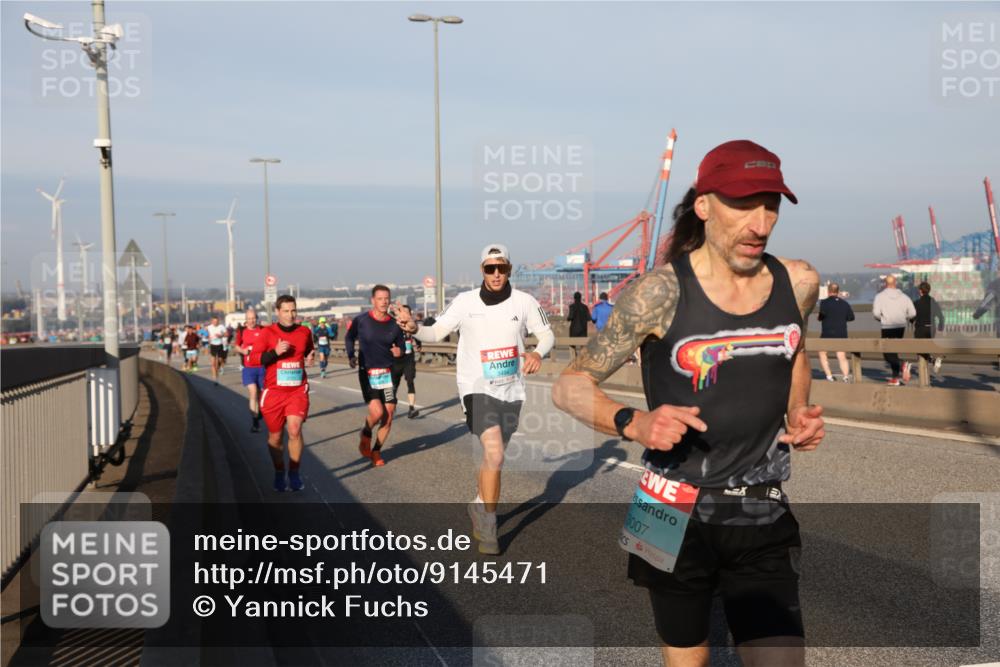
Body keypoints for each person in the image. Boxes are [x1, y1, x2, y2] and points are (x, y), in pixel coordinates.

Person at [552, 140, 823, 667]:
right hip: (668, 503)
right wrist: (633, 422)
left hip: (759, 501)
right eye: (744, 204)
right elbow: (570, 385)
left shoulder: (799, 281)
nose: (761, 223)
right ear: (704, 205)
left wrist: (798, 413)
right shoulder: (659, 292)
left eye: (771, 205)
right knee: (686, 655)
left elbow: (795, 353)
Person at [396, 244, 555, 555]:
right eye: (490, 268)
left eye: (502, 268)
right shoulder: (465, 302)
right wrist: (415, 328)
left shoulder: (525, 302)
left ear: (510, 269)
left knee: (494, 457)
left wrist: (537, 352)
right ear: (482, 270)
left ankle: (481, 505)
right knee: (494, 454)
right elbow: (436, 333)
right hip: (476, 387)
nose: (496, 274)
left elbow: (547, 334)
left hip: (511, 390)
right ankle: (489, 525)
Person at [249, 295, 314, 492]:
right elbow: (253, 359)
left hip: (297, 390)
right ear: (278, 312)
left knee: (294, 430)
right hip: (274, 392)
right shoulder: (268, 333)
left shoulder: (304, 331)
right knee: (275, 437)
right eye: (286, 311)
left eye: (293, 310)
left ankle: (294, 472)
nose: (291, 314)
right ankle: (279, 471)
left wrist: (310, 355)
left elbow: (308, 349)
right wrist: (275, 353)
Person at [345, 285, 407, 467]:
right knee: (377, 412)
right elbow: (349, 337)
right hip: (368, 372)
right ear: (373, 301)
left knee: (388, 415)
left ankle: (376, 451)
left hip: (388, 374)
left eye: (387, 298)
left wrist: (399, 351)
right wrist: (350, 355)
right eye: (380, 299)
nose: (384, 302)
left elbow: (402, 345)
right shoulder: (362, 320)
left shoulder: (394, 324)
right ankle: (366, 431)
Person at [872, 274, 916, 385]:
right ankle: (895, 378)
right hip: (900, 327)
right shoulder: (904, 297)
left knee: (887, 353)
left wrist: (882, 319)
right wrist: (904, 318)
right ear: (895, 283)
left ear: (885, 283)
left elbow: (876, 314)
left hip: (887, 327)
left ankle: (902, 365)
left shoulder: (879, 296)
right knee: (894, 352)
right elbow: (913, 313)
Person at [233, 308, 266, 432]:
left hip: (262, 367)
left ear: (256, 319)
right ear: (246, 320)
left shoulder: (262, 330)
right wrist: (243, 351)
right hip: (248, 368)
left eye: (253, 318)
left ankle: (260, 412)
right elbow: (236, 346)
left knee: (261, 395)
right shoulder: (242, 332)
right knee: (253, 392)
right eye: (249, 319)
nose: (251, 321)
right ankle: (255, 422)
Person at [818, 282, 855, 382]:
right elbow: (851, 317)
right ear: (838, 291)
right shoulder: (844, 303)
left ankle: (829, 376)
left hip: (827, 333)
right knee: (841, 355)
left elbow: (821, 316)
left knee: (822, 353)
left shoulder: (824, 302)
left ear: (828, 291)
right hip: (841, 332)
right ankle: (846, 376)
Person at [391, 305, 421, 419]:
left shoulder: (411, 324)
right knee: (394, 384)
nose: (406, 314)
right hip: (396, 359)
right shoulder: (393, 325)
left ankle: (411, 408)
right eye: (403, 312)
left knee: (410, 381)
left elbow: (416, 333)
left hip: (409, 358)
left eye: (408, 312)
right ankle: (391, 403)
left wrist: (418, 344)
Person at [912, 281, 945, 375]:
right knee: (926, 349)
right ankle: (932, 362)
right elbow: (941, 316)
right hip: (931, 328)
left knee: (920, 350)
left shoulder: (917, 303)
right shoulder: (933, 302)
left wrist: (912, 321)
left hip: (920, 329)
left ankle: (930, 366)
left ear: (920, 291)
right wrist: (940, 327)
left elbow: (911, 316)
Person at [205, 316, 228, 385]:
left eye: (216, 321)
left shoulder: (221, 327)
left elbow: (227, 334)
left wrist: (221, 335)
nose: (215, 323)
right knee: (213, 363)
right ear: (212, 321)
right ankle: (215, 379)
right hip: (213, 345)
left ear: (218, 321)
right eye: (214, 321)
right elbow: (204, 333)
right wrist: (207, 336)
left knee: (220, 361)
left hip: (220, 345)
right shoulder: (209, 327)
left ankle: (219, 369)